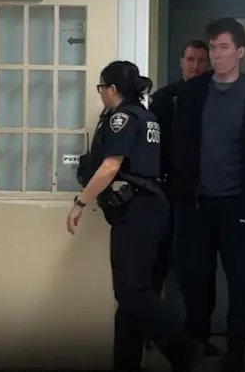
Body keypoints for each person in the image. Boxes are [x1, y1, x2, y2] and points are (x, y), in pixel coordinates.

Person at [166, 18, 245, 372]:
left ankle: (237, 348)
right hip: (196, 201)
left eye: (224, 48)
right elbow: (177, 141)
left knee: (238, 277)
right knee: (195, 274)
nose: (216, 55)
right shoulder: (192, 93)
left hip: (236, 202)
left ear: (240, 52)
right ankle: (196, 339)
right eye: (213, 48)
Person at [65, 60, 196, 372]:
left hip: (137, 211)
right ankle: (126, 362)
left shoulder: (122, 118)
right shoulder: (146, 116)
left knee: (132, 290)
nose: (100, 94)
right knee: (132, 292)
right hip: (149, 208)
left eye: (101, 87)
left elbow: (110, 166)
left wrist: (80, 203)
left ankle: (181, 349)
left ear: (112, 89)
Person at [149, 40, 209, 295]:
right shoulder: (165, 98)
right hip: (165, 189)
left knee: (195, 263)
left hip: (203, 193)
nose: (196, 66)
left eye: (202, 61)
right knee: (158, 257)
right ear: (181, 62)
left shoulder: (217, 98)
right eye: (191, 60)